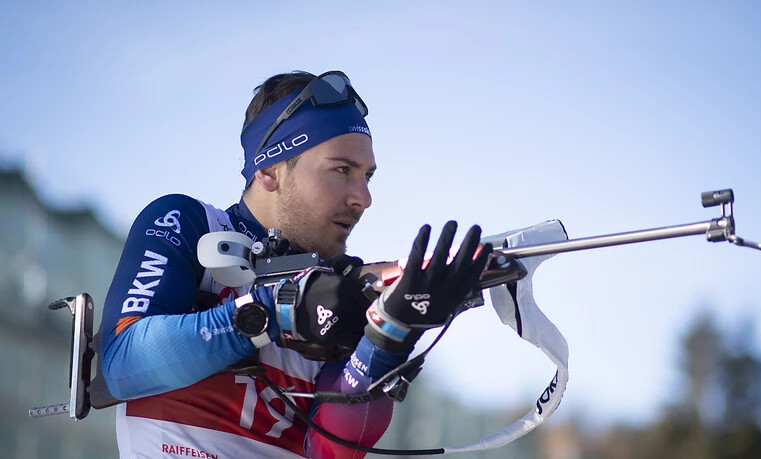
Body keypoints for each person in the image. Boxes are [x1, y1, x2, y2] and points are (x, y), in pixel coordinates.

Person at [99, 70, 492, 458]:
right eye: (342, 170)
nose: (364, 198)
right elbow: (123, 363)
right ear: (269, 172)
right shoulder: (187, 222)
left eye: (367, 177)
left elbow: (331, 449)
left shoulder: (340, 285)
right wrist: (279, 310)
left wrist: (388, 338)